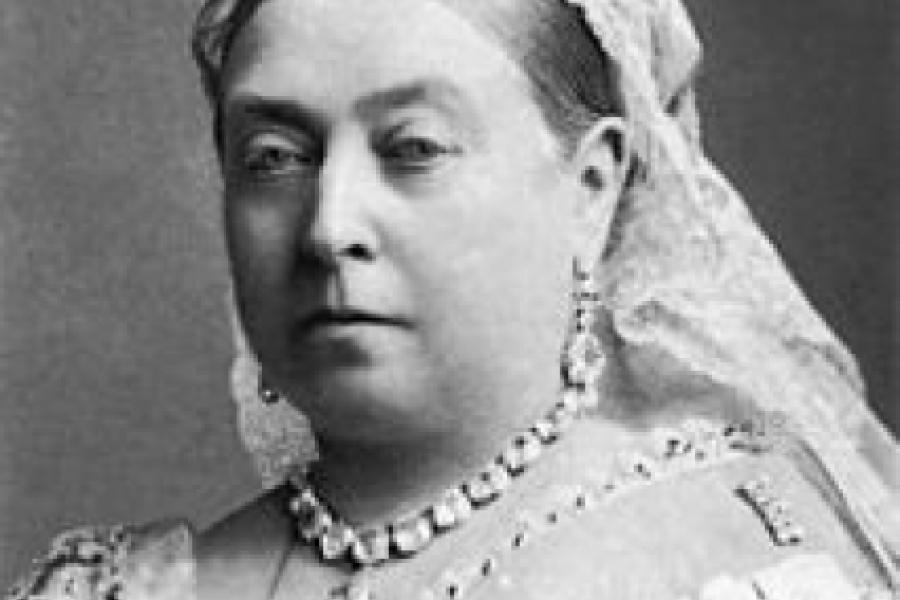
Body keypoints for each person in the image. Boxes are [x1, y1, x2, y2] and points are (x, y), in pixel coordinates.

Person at [6, 0, 899, 598]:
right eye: (274, 156)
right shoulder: (133, 588)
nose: (329, 227)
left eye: (414, 149)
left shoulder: (735, 548)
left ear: (591, 188)